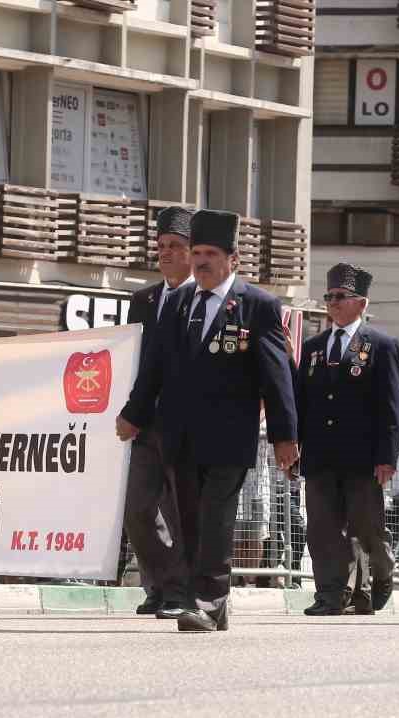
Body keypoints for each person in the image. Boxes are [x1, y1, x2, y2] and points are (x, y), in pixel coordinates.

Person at [118, 208, 299, 633]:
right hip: (179, 437)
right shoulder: (178, 303)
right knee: (188, 521)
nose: (200, 261)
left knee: (216, 518)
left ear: (232, 259)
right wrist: (134, 414)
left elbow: (277, 377)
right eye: (195, 252)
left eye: (209, 253)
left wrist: (285, 435)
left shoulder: (257, 306)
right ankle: (197, 598)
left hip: (228, 437)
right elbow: (155, 369)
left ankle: (209, 598)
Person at [296, 263, 399, 616]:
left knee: (366, 529)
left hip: (362, 457)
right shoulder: (313, 347)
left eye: (340, 297)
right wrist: (292, 444)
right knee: (323, 530)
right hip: (320, 455)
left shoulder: (380, 345)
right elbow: (301, 402)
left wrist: (387, 455)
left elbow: (392, 405)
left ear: (361, 303)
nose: (333, 303)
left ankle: (381, 573)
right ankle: (331, 594)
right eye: (328, 297)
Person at [124, 206, 192, 617]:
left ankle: (180, 591)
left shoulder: (202, 300)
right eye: (162, 246)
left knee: (182, 514)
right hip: (146, 423)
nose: (166, 253)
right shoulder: (143, 300)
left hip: (186, 426)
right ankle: (162, 580)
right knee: (136, 509)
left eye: (176, 246)